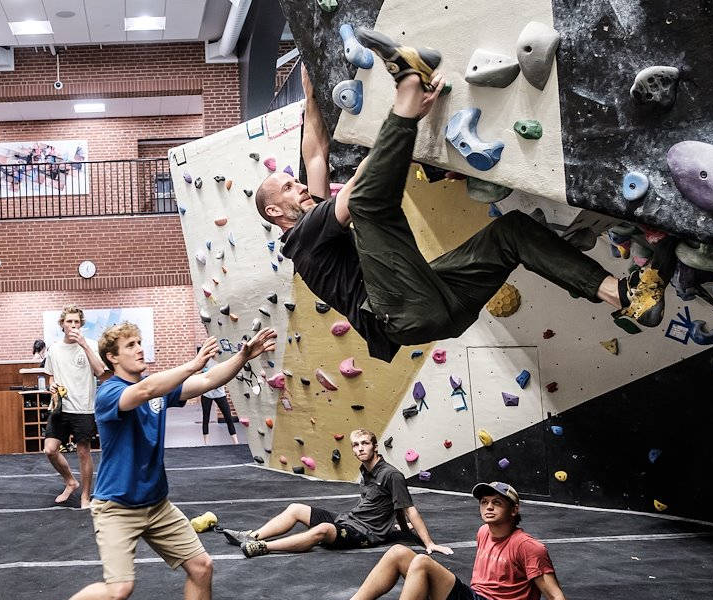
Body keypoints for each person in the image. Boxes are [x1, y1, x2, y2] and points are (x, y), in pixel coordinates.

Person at [258, 28, 673, 365]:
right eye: (289, 188)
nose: (300, 187)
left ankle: (625, 298)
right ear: (277, 212)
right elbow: (357, 198)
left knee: (510, 233)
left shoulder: (315, 218)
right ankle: (406, 80)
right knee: (367, 207)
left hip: (439, 302)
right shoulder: (302, 241)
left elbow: (316, 156)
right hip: (400, 313)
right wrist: (403, 112)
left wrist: (311, 96)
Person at [43, 325, 278, 600]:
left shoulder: (157, 389)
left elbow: (208, 382)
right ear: (112, 357)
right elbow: (147, 389)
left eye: (140, 343)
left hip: (157, 505)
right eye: (130, 345)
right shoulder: (109, 392)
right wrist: (192, 363)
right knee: (118, 590)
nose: (139, 349)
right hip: (117, 509)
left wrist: (242, 356)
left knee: (201, 567)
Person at [306, 480, 632, 600]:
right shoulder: (483, 532)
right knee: (399, 552)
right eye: (484, 502)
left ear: (513, 510)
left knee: (421, 562)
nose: (488, 507)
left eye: (497, 503)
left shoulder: (529, 547)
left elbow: (555, 595)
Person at [216, 428, 451, 558]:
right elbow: (395, 506)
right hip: (349, 521)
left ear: (375, 446)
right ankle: (252, 536)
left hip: (364, 534)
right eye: (356, 445)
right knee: (296, 509)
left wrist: (428, 543)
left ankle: (264, 547)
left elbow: (409, 509)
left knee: (323, 530)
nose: (359, 448)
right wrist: (398, 527)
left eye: (364, 444)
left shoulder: (391, 474)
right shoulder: (366, 470)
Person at [42, 307, 106, 507]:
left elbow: (100, 371)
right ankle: (70, 481)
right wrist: (51, 384)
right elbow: (50, 375)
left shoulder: (91, 346)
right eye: (69, 322)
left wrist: (84, 345)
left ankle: (86, 496)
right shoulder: (54, 349)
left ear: (81, 324)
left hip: (83, 408)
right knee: (50, 450)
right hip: (60, 407)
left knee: (83, 452)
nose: (73, 325)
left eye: (76, 322)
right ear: (62, 324)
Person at [197, 351, 238, 446]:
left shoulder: (222, 361)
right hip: (207, 393)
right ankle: (206, 443)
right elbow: (199, 372)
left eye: (215, 351)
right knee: (205, 417)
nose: (213, 353)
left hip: (220, 393)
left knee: (228, 417)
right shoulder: (207, 361)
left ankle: (236, 442)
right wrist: (203, 371)